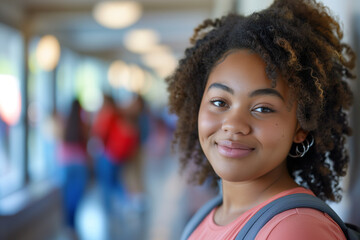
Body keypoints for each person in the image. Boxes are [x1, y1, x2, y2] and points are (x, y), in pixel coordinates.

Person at [166, 0, 356, 239]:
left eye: (263, 108)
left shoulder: (295, 229)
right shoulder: (206, 216)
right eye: (219, 102)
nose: (233, 124)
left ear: (301, 126)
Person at [57, 99, 89, 236]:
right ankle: (72, 224)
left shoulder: (63, 121)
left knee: (67, 195)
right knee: (76, 195)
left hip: (65, 162)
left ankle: (69, 224)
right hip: (80, 162)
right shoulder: (84, 123)